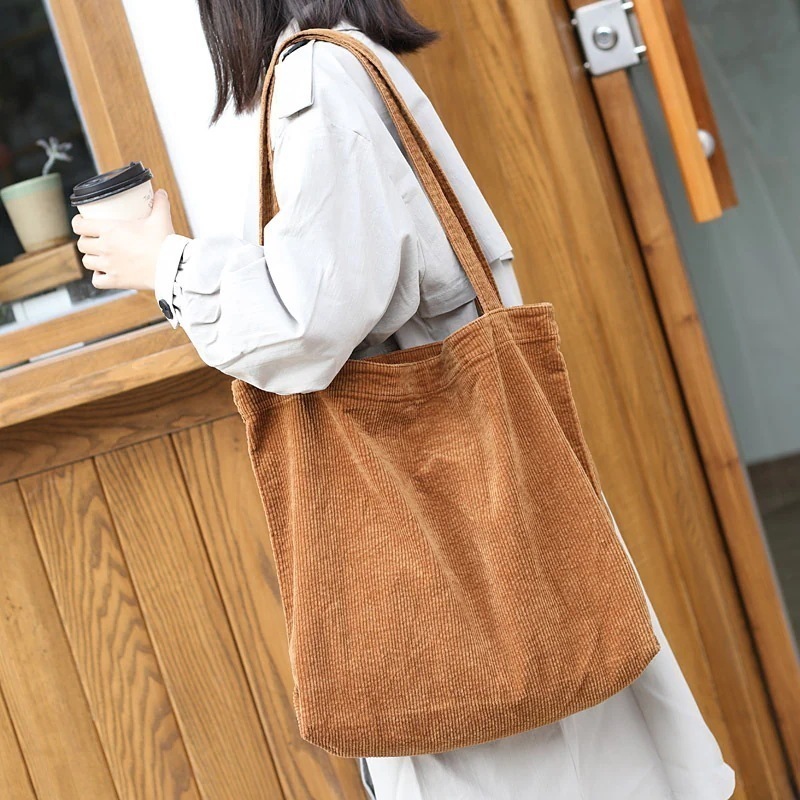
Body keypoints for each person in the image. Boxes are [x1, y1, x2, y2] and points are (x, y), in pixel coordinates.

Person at [70, 2, 736, 798]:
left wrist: (166, 266)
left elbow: (309, 318)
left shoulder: (315, 78)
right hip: (500, 539)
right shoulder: (340, 63)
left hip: (451, 568)